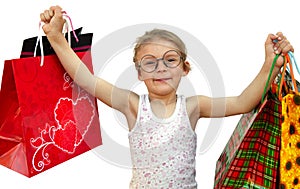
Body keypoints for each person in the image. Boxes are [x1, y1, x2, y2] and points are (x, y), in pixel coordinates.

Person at [40, 5, 294, 189]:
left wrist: (269, 64)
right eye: (149, 62)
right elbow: (86, 80)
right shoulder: (133, 106)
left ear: (184, 68)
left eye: (170, 60)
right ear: (139, 72)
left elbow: (242, 102)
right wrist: (56, 37)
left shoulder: (193, 107)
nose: (160, 67)